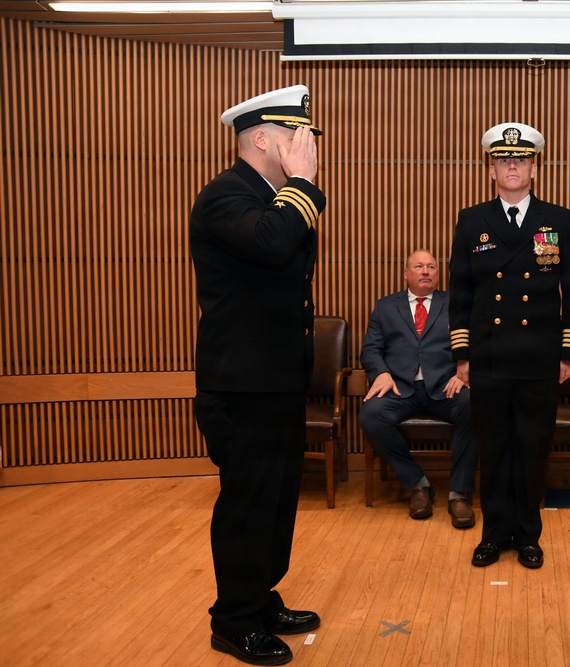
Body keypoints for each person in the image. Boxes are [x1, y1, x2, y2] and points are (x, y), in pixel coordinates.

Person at [190, 85, 325, 666]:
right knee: (248, 503)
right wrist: (304, 184)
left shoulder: (270, 198)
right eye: (298, 134)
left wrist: (296, 190)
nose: (308, 144)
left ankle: (260, 598)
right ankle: (233, 621)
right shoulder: (225, 195)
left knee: (276, 499)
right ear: (264, 139)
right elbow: (272, 245)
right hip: (242, 385)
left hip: (276, 380)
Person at [448, 122, 570, 570]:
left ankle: (528, 535)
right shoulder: (472, 220)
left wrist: (568, 353)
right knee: (493, 450)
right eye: (504, 160)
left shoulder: (560, 221)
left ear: (534, 169)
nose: (512, 166)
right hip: (488, 356)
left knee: (532, 450)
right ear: (491, 170)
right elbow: (461, 293)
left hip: (538, 358)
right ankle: (493, 535)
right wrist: (462, 355)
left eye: (521, 159)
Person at [358, 249, 477, 528]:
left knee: (474, 406)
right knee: (370, 416)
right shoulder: (386, 306)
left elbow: (477, 341)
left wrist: (464, 372)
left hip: (446, 387)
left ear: (438, 274)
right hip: (400, 389)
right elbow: (371, 349)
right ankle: (418, 483)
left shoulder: (456, 304)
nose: (426, 271)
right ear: (406, 273)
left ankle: (459, 493)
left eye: (431, 267)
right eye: (419, 266)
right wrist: (382, 373)